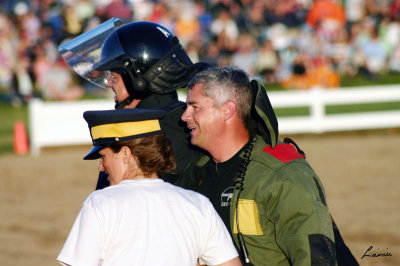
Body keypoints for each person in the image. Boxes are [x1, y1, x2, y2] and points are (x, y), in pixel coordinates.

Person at [180, 66, 358, 265]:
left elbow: (316, 258)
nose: (185, 116)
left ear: (227, 110)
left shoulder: (282, 175)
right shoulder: (194, 174)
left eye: (195, 107)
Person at [57, 108, 242, 266]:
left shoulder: (100, 203)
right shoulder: (197, 204)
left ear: (125, 153)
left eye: (103, 156)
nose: (101, 166)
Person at [59, 18, 207, 189]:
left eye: (114, 77)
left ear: (137, 79)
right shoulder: (187, 121)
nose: (109, 83)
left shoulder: (142, 132)